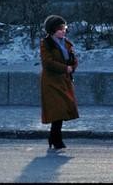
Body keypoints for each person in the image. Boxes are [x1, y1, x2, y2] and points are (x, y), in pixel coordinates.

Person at [40, 14, 79, 150]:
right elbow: (47, 62)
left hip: (64, 81)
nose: (63, 31)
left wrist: (72, 67)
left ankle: (54, 138)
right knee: (58, 110)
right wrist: (65, 68)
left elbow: (74, 60)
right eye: (60, 29)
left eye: (64, 28)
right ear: (52, 31)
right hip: (52, 82)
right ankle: (56, 139)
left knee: (62, 110)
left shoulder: (67, 44)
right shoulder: (46, 44)